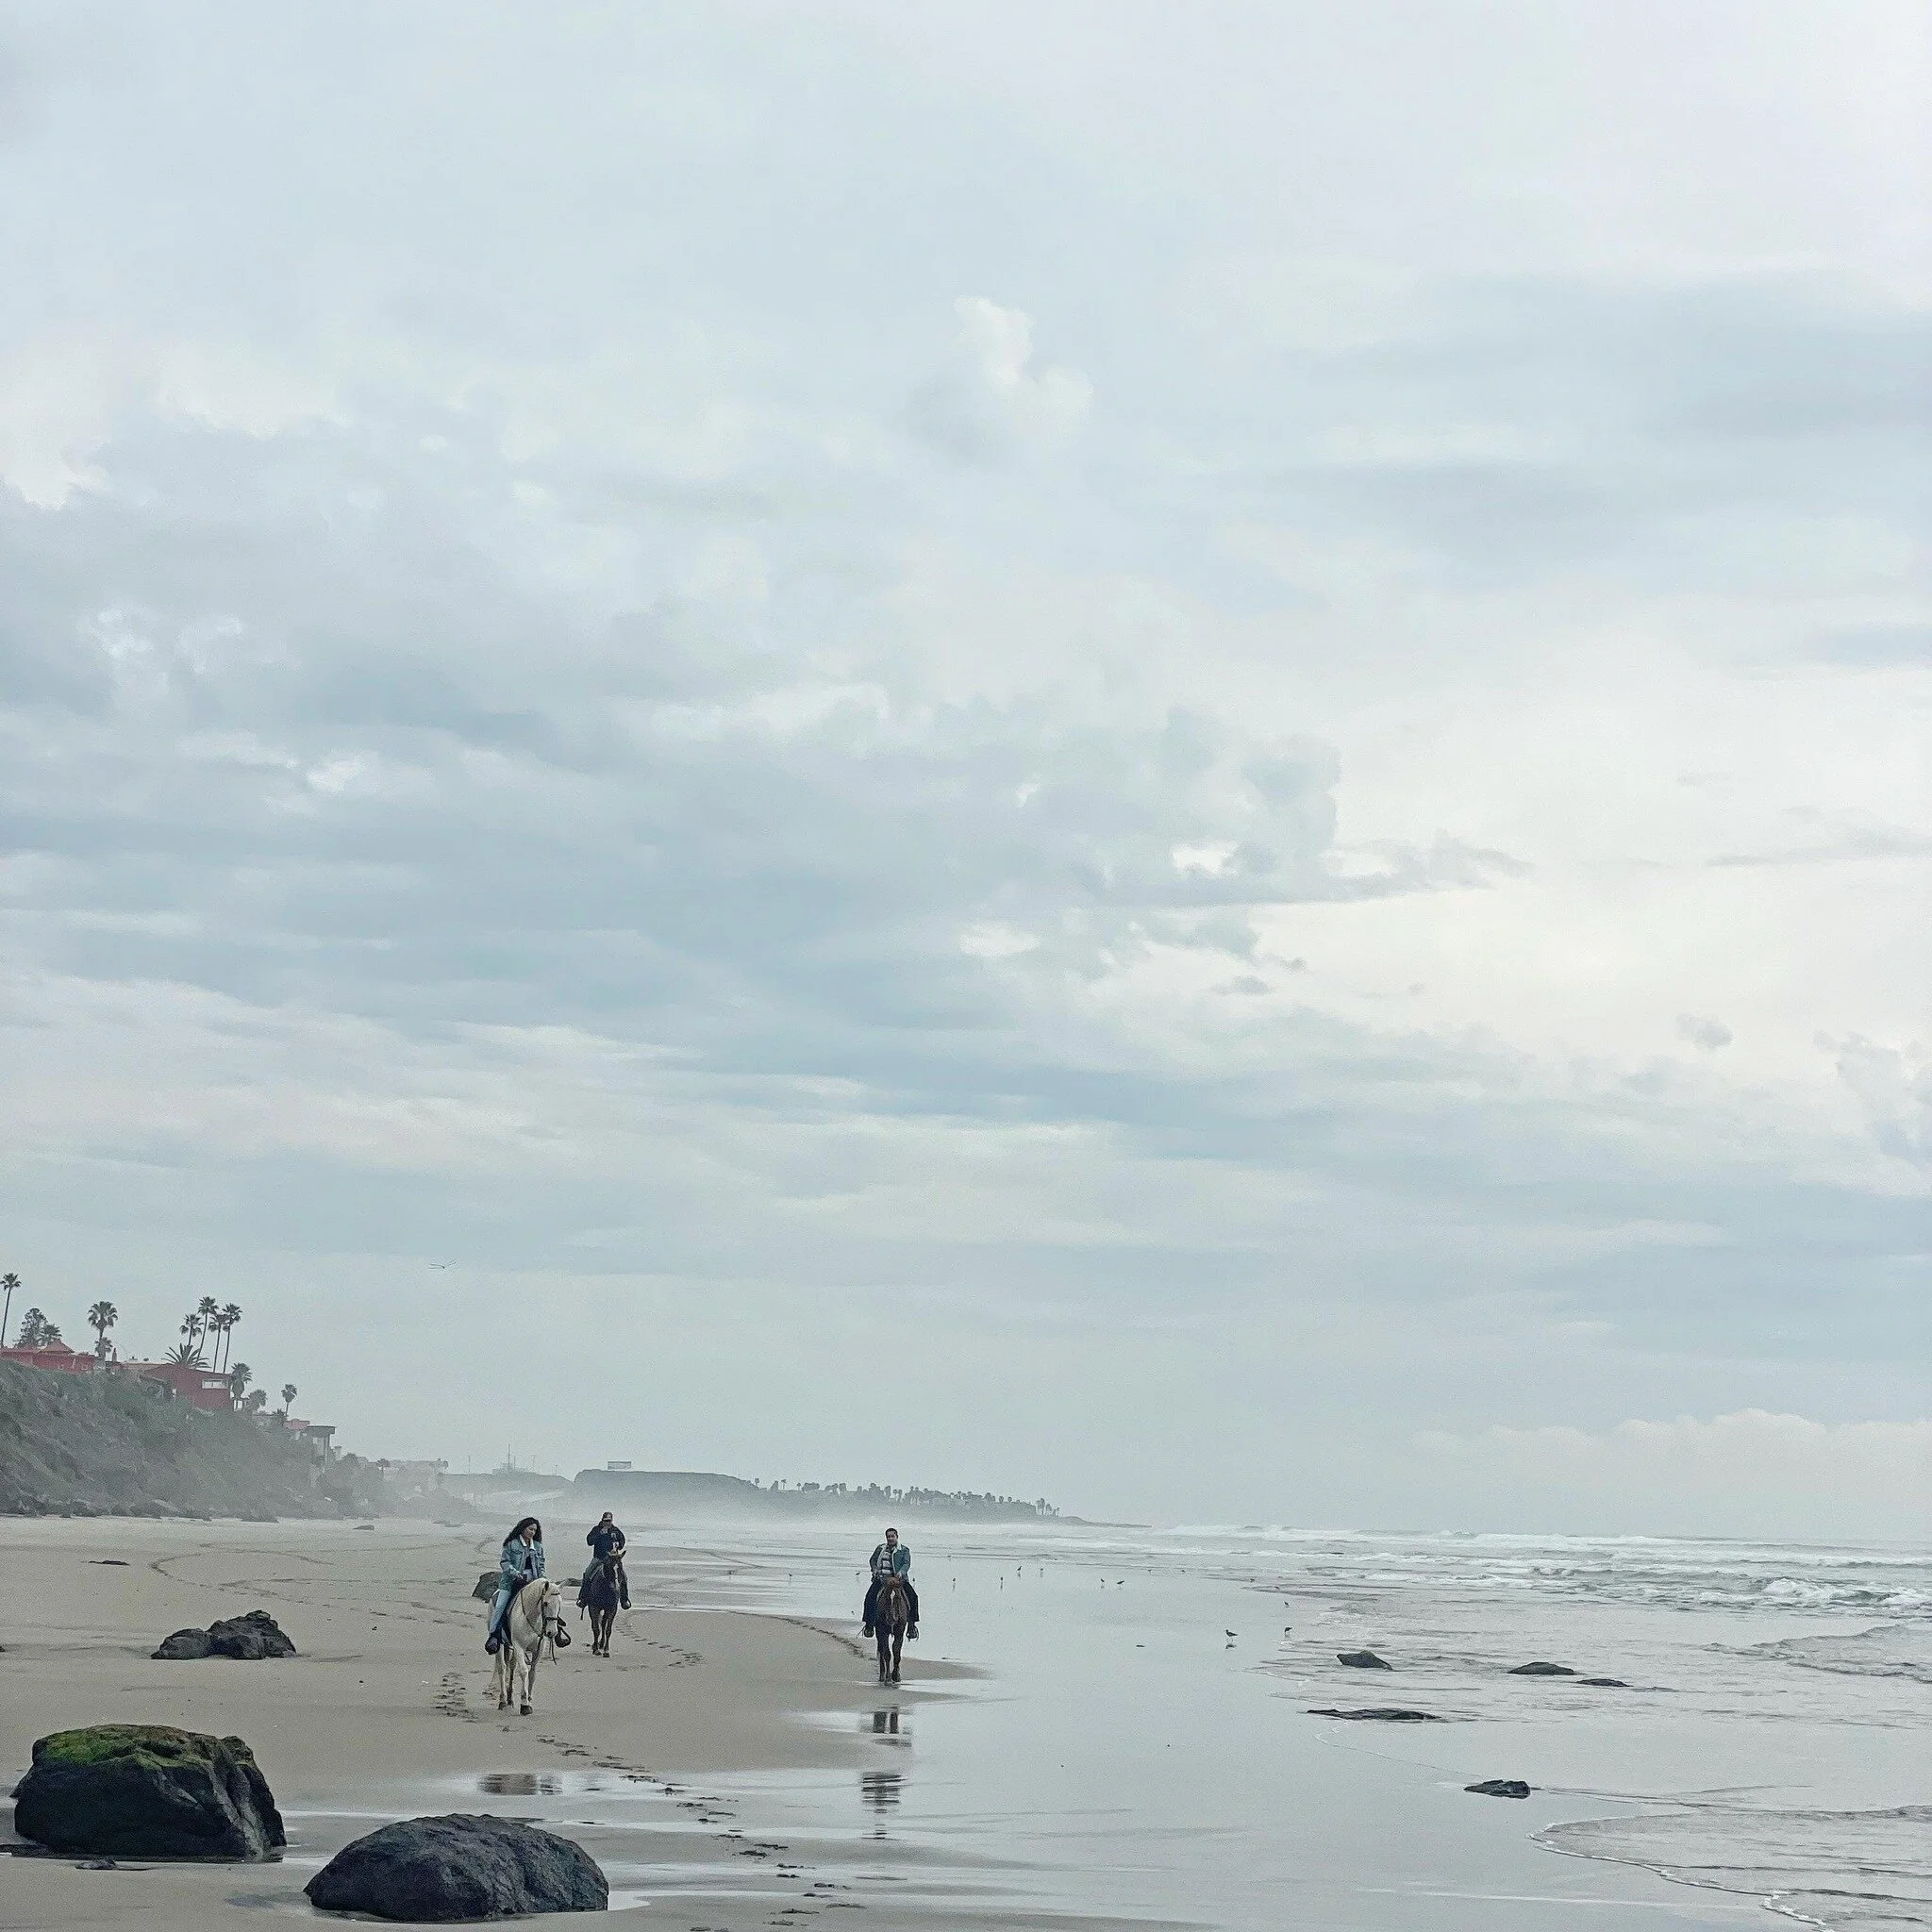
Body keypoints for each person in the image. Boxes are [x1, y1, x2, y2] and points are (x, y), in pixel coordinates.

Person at [485, 1516, 546, 1655]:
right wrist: (514, 1572)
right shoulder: (512, 1544)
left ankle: (553, 1631)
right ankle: (494, 1636)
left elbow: (541, 1565)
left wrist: (543, 1578)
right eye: (530, 1529)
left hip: (532, 1582)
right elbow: (504, 1562)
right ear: (523, 1528)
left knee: (548, 1603)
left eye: (534, 1530)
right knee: (500, 1606)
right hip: (511, 1582)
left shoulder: (538, 1547)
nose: (532, 1532)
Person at [861, 1526, 919, 1641]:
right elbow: (872, 1560)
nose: (890, 1538)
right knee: (870, 1597)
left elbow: (906, 1563)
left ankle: (911, 1626)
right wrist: (875, 1570)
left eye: (893, 1536)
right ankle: (869, 1625)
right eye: (888, 1537)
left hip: (898, 1581)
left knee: (913, 1597)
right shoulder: (880, 1548)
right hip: (882, 1580)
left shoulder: (904, 1550)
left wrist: (901, 1572)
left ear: (897, 1537)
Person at [583, 1511, 630, 1610]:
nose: (607, 1523)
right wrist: (599, 1534)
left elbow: (622, 1541)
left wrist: (619, 1544)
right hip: (599, 1558)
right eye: (605, 1521)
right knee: (587, 1574)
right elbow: (589, 1541)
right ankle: (583, 1598)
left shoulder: (615, 1531)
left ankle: (624, 1600)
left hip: (613, 1559)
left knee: (624, 1577)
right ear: (602, 1520)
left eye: (609, 1521)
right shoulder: (596, 1530)